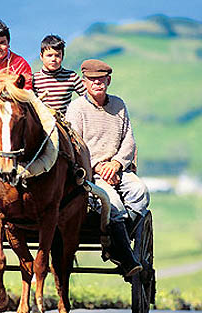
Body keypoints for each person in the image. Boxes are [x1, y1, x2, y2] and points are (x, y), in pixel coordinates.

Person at [65, 59, 150, 277]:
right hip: (91, 174)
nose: (97, 83)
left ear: (108, 80)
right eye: (92, 79)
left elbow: (129, 140)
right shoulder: (77, 109)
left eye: (101, 79)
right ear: (84, 82)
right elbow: (75, 147)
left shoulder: (119, 105)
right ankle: (125, 256)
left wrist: (117, 164)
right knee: (114, 203)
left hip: (118, 168)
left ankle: (116, 242)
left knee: (140, 192)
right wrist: (99, 167)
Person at [32, 34, 86, 114]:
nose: (53, 59)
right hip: (42, 122)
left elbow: (87, 97)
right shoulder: (34, 79)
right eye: (49, 55)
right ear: (41, 56)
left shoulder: (71, 76)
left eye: (57, 55)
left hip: (64, 123)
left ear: (62, 56)